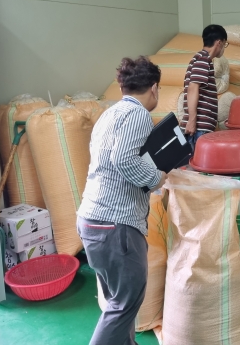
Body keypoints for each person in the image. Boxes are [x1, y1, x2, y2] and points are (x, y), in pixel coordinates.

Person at [77, 56, 166, 345]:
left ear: (122, 87)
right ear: (154, 88)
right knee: (125, 303)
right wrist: (156, 177)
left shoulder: (109, 114)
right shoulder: (138, 114)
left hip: (91, 220)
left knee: (117, 301)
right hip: (116, 225)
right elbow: (124, 160)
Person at [181, 24, 228, 150]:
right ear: (219, 42)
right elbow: (193, 88)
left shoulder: (202, 59)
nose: (224, 48)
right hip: (198, 128)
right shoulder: (203, 59)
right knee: (197, 162)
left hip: (200, 127)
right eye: (225, 44)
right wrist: (192, 121)